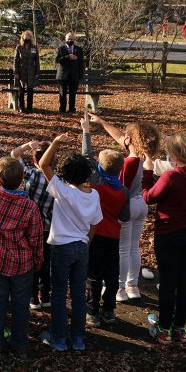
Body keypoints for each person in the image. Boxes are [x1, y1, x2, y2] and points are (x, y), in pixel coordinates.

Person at [142, 135, 186, 345]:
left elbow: (149, 197)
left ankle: (164, 328)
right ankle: (180, 327)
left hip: (169, 232)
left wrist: (146, 172)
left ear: (173, 155)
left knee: (168, 281)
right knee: (184, 281)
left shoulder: (171, 177)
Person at [39, 135, 102, 352]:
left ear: (65, 174)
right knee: (78, 295)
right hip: (81, 247)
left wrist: (55, 143)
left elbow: (43, 164)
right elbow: (95, 224)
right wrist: (86, 241)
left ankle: (57, 338)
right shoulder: (94, 196)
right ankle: (78, 338)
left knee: (58, 294)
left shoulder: (63, 191)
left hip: (62, 247)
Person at [89, 115, 159, 301]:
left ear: (131, 140)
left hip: (129, 205)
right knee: (134, 247)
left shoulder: (128, 162)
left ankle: (119, 288)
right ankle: (132, 286)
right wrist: (103, 122)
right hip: (141, 204)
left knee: (123, 248)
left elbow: (122, 188)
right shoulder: (146, 158)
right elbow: (119, 137)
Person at [0, 156, 43, 360]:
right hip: (21, 263)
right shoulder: (29, 207)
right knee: (21, 306)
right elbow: (36, 238)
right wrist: (38, 260)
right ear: (21, 180)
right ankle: (19, 347)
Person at [80, 117, 129, 327]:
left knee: (93, 274)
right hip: (113, 236)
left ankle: (92, 311)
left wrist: (86, 132)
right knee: (111, 275)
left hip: (95, 234)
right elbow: (125, 217)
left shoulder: (95, 187)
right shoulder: (123, 191)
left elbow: (86, 156)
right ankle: (109, 310)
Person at [14, 140, 53, 310]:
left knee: (30, 262)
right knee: (45, 262)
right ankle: (45, 296)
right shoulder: (56, 181)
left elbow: (14, 155)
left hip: (29, 227)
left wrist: (26, 146)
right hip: (47, 228)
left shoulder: (30, 175)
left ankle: (32, 297)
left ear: (36, 160)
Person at [54, 33, 83, 114]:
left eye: (72, 39)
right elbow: (57, 60)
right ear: (65, 39)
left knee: (72, 94)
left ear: (74, 39)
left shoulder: (79, 49)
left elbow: (81, 63)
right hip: (62, 75)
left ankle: (71, 109)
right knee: (62, 94)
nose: (70, 40)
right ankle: (62, 110)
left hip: (74, 75)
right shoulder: (60, 48)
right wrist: (68, 57)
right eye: (68, 39)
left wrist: (80, 75)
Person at [13, 31, 40, 114]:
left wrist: (37, 72)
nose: (27, 38)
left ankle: (29, 108)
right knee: (21, 90)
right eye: (26, 37)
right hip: (21, 72)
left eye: (29, 37)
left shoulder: (34, 48)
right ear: (23, 37)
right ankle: (21, 107)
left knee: (30, 90)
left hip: (31, 72)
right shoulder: (19, 47)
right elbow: (15, 61)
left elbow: (37, 61)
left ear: (31, 38)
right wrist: (16, 72)